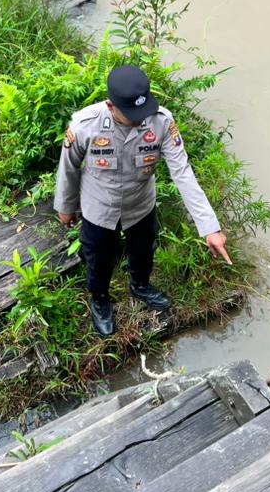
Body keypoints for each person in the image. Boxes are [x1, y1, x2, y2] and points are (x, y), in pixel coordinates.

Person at [54, 64, 231, 338]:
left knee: (143, 250)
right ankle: (100, 299)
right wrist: (65, 208)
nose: (141, 119)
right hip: (99, 208)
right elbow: (68, 168)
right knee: (99, 258)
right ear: (111, 106)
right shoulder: (84, 126)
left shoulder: (162, 121)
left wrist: (209, 227)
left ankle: (140, 285)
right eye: (132, 114)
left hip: (140, 205)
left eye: (143, 110)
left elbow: (182, 172)